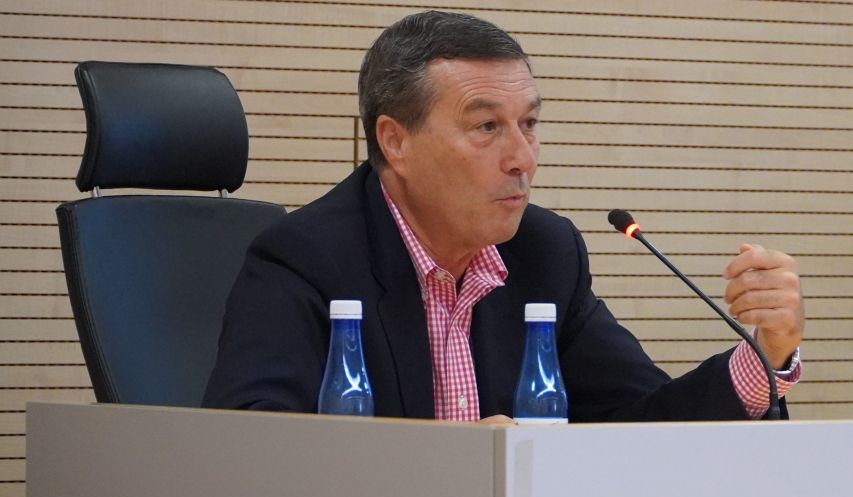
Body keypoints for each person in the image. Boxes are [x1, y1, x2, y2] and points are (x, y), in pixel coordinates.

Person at [202, 10, 804, 422]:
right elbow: (253, 449)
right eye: (487, 126)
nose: (523, 158)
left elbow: (639, 424)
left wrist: (766, 355)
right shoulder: (305, 258)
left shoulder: (545, 251)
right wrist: (454, 463)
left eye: (529, 124)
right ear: (396, 141)